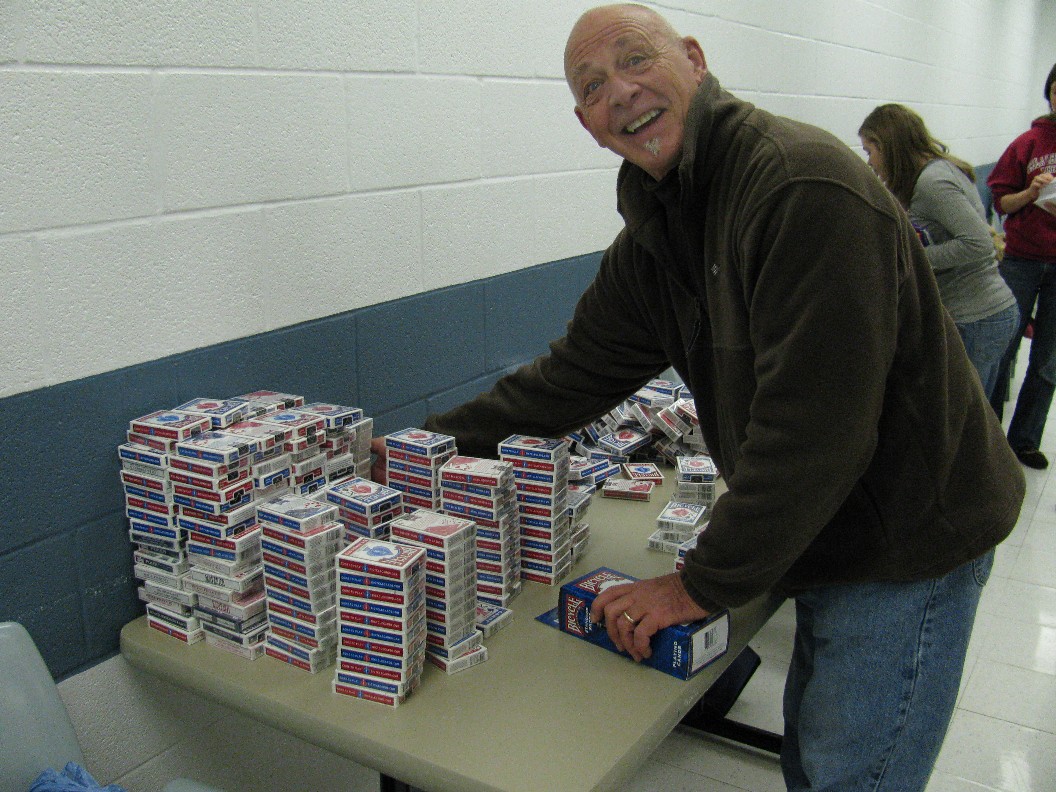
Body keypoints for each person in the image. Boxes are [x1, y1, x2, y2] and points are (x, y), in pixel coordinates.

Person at [375, 5, 1024, 789]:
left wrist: (697, 584)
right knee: (814, 754)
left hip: (909, 538)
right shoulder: (660, 227)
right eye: (594, 85)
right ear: (587, 125)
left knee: (852, 774)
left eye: (637, 59)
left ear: (693, 59)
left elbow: (816, 432)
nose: (621, 90)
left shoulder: (799, 187)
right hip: (829, 528)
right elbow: (570, 377)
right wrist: (423, 447)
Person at [857, 104, 1019, 400]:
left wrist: (914, 260)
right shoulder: (932, 172)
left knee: (961, 423)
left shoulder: (933, 183)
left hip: (977, 317)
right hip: (980, 314)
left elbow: (977, 243)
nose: (869, 162)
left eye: (870, 151)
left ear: (889, 147)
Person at [987, 63, 1056, 470]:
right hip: (1022, 261)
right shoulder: (1028, 143)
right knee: (1003, 347)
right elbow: (1002, 204)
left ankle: (1025, 441)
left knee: (1048, 359)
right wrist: (1030, 192)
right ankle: (990, 436)